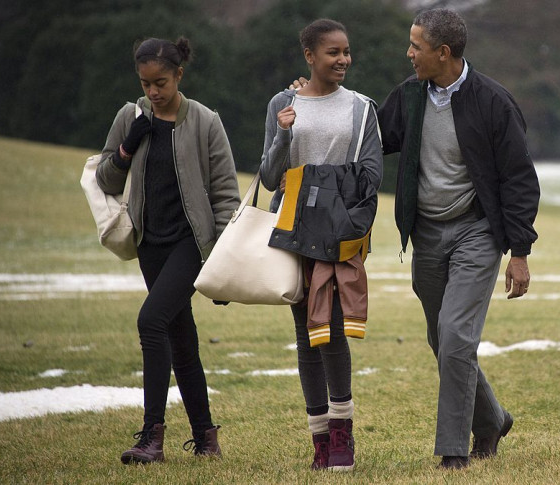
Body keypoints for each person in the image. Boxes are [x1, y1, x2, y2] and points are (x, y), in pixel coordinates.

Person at [376, 9, 540, 469]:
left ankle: (453, 450)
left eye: (416, 46)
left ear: (442, 53)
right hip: (426, 235)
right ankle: (490, 418)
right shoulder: (409, 97)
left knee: (455, 336)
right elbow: (370, 134)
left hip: (477, 231)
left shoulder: (492, 101)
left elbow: (519, 179)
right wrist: (314, 101)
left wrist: (519, 253)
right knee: (443, 338)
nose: (409, 54)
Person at [96, 37, 240, 464]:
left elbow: (226, 195)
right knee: (181, 339)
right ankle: (206, 438)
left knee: (151, 320)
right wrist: (127, 146)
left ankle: (151, 438)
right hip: (150, 245)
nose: (153, 92)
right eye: (146, 84)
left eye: (161, 82)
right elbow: (105, 179)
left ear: (179, 74)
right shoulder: (131, 116)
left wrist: (222, 259)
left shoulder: (205, 121)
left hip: (191, 245)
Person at [259, 19, 383, 472]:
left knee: (330, 330)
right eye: (333, 52)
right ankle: (319, 442)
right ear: (310, 56)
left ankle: (342, 439)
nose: (343, 60)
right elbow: (271, 177)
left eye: (346, 51)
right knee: (305, 336)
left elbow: (371, 177)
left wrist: (343, 221)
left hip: (337, 233)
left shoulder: (362, 108)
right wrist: (285, 133)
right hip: (292, 230)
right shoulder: (282, 102)